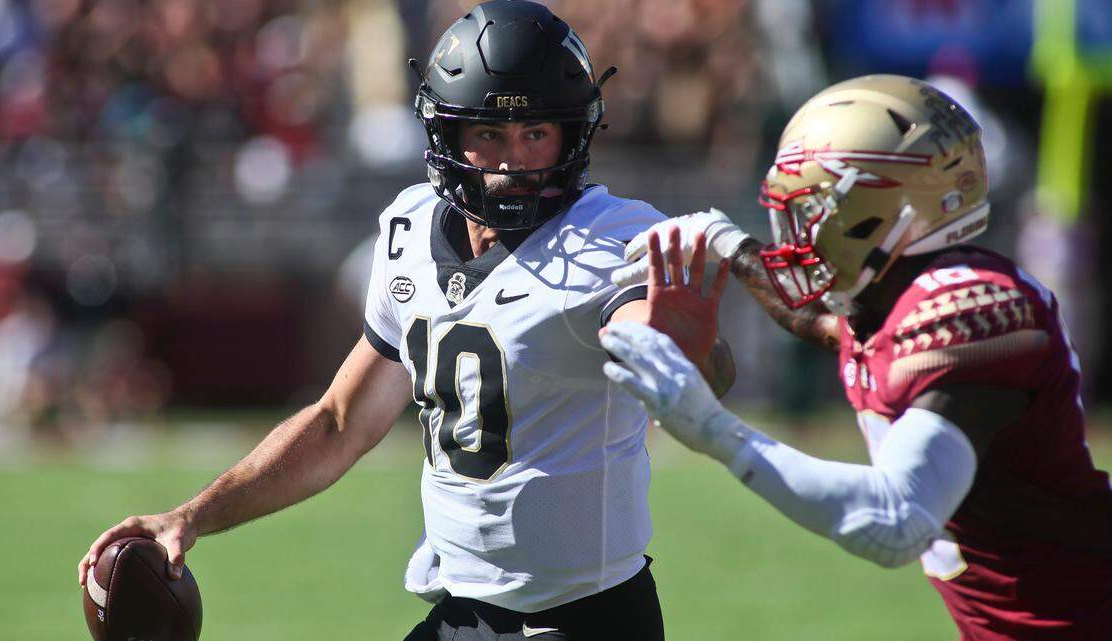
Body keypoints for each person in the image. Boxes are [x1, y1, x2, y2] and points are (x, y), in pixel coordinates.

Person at [77, 2, 734, 640]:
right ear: (446, 133)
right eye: (489, 134)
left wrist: (689, 342)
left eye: (537, 133)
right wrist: (190, 518)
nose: (514, 162)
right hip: (466, 615)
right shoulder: (411, 231)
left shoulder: (612, 237)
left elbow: (691, 362)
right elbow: (338, 422)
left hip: (582, 617)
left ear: (573, 133)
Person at [604, 74, 1112, 640]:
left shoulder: (969, 311)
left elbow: (896, 521)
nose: (796, 234)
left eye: (811, 211)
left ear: (878, 209)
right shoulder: (896, 300)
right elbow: (831, 330)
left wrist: (715, 431)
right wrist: (732, 249)